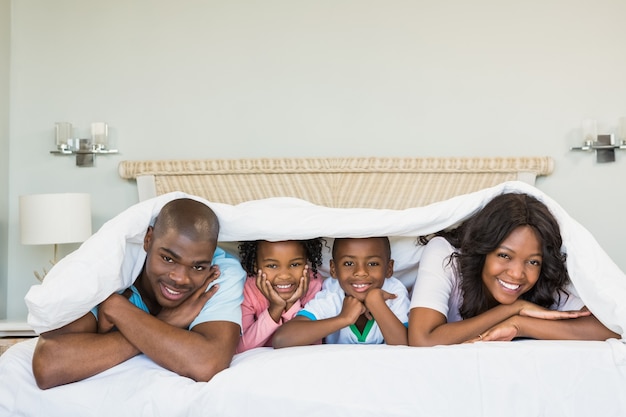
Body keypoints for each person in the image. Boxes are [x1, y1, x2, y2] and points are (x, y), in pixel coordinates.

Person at [32, 198, 246, 389]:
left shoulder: (220, 270)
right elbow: (48, 365)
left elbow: (207, 364)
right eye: (168, 259)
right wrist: (165, 323)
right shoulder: (114, 269)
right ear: (148, 239)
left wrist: (120, 311)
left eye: (198, 267)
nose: (180, 278)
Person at [408, 192, 619, 346]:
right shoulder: (446, 256)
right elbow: (423, 339)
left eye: (533, 261)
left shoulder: (544, 279)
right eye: (504, 256)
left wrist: (520, 324)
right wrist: (512, 309)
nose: (518, 274)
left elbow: (613, 327)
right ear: (482, 251)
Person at [273, 237, 409, 348]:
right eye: (349, 263)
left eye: (373, 264)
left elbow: (404, 346)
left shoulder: (394, 293)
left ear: (389, 268)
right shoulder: (332, 295)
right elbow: (281, 339)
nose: (360, 272)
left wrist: (376, 302)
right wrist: (344, 319)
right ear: (333, 269)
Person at [236, 238, 325, 353]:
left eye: (295, 264)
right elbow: (241, 348)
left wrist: (292, 305)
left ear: (306, 263)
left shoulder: (314, 284)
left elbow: (314, 345)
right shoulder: (247, 288)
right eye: (272, 266)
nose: (284, 276)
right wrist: (275, 308)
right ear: (255, 266)